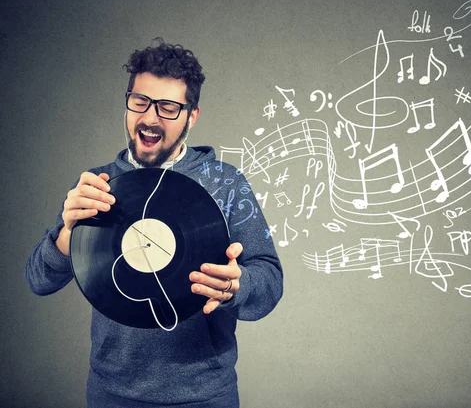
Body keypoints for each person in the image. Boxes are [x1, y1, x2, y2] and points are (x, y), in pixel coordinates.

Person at [25, 39, 284, 408]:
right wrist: (67, 233)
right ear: (128, 102)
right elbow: (38, 281)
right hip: (111, 395)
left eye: (167, 107)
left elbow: (270, 282)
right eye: (140, 101)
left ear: (191, 116)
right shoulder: (96, 186)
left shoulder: (226, 183)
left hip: (205, 396)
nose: (149, 117)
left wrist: (237, 287)